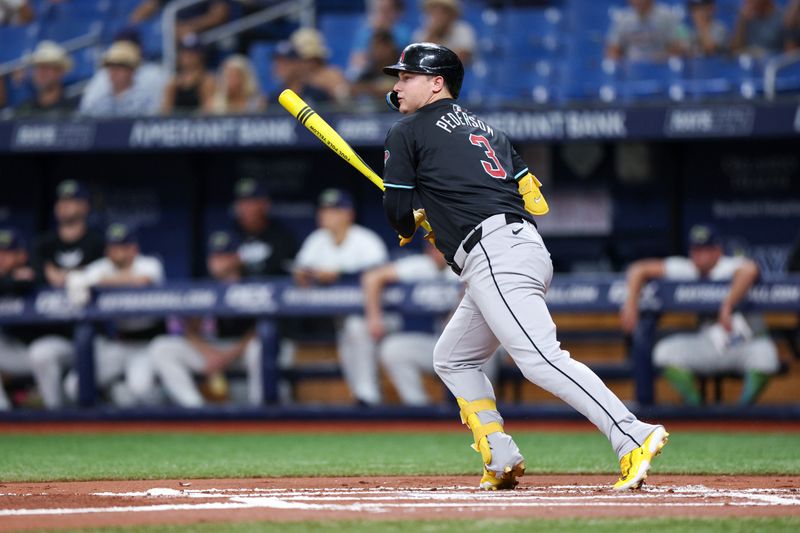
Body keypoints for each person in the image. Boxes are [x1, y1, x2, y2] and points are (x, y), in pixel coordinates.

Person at [380, 42, 667, 491]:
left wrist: (413, 216)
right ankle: (500, 455)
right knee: (453, 358)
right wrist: (438, 216)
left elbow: (397, 213)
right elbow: (529, 197)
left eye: (406, 77)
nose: (397, 86)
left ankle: (633, 433)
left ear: (437, 83)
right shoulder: (488, 130)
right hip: (517, 246)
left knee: (540, 359)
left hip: (494, 254)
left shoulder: (407, 130)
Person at [621, 224, 780, 406]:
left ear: (717, 250)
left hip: (742, 343)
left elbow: (750, 270)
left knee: (767, 355)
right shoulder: (688, 267)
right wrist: (631, 303)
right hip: (710, 343)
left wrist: (727, 305)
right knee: (664, 352)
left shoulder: (727, 265)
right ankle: (697, 409)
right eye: (695, 249)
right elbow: (638, 269)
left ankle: (742, 413)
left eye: (705, 249)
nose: (699, 254)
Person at [362, 242, 499, 405]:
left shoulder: (468, 265)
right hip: (436, 341)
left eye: (439, 246)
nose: (435, 251)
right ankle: (419, 409)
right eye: (432, 246)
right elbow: (372, 277)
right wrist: (374, 317)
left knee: (487, 351)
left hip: (468, 345)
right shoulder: (421, 265)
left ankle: (481, 407)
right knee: (393, 349)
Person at [293, 188, 388, 405]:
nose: (326, 215)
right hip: (341, 317)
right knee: (349, 333)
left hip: (380, 314)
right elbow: (300, 269)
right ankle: (362, 397)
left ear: (348, 214)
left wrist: (340, 275)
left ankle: (368, 395)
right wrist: (305, 275)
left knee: (355, 327)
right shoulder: (316, 240)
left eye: (334, 210)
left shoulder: (366, 240)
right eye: (324, 210)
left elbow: (378, 273)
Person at [55, 223, 165, 406]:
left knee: (141, 392)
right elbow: (75, 278)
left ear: (134, 248)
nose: (118, 251)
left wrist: (98, 281)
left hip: (146, 344)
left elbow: (142, 280)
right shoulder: (100, 267)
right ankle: (112, 391)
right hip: (116, 342)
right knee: (74, 386)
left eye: (123, 246)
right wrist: (81, 278)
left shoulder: (149, 264)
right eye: (114, 246)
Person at [149, 231, 260, 407]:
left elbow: (259, 331)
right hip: (211, 347)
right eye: (215, 255)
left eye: (224, 255)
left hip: (241, 349)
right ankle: (194, 409)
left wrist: (226, 356)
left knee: (259, 349)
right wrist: (208, 352)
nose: (217, 261)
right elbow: (184, 328)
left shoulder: (253, 284)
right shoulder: (204, 285)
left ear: (237, 258)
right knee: (162, 347)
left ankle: (259, 411)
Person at [28, 180, 105, 409]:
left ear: (85, 206)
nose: (66, 206)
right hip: (57, 332)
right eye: (62, 201)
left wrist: (67, 275)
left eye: (73, 201)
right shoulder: (43, 244)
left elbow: (100, 271)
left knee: (77, 388)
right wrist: (50, 272)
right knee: (40, 353)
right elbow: (33, 273)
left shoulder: (97, 242)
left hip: (93, 336)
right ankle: (53, 417)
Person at [231, 178, 297, 278]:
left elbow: (291, 270)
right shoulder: (230, 235)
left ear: (264, 204)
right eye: (242, 202)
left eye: (251, 202)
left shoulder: (282, 237)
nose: (246, 208)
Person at [0, 229, 35, 410]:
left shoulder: (33, 268)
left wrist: (10, 279)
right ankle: (3, 411)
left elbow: (22, 283)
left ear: (22, 255)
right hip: (15, 350)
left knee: (44, 353)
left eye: (7, 253)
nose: (1, 257)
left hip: (41, 348)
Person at [78, 41, 161, 117]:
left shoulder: (145, 100)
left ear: (131, 70)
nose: (113, 72)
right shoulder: (98, 100)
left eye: (119, 67)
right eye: (110, 67)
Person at [605, 0, 688, 62]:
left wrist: (661, 58)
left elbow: (678, 49)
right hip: (632, 72)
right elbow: (612, 51)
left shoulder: (667, 17)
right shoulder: (623, 19)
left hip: (661, 68)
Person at [347, 0, 412, 79]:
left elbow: (403, 59)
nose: (384, 13)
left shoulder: (403, 32)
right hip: (371, 72)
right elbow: (356, 62)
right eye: (380, 9)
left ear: (396, 11)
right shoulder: (366, 32)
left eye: (388, 9)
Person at [287, 27, 350, 105]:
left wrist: (327, 89)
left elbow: (343, 100)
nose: (309, 64)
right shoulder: (294, 77)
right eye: (304, 60)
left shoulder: (332, 75)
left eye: (313, 59)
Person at [16, 41, 79, 117]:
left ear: (60, 72)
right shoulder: (24, 110)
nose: (41, 73)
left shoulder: (73, 109)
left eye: (46, 68)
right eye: (37, 67)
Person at [128, 0, 230, 44]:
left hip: (199, 34)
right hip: (172, 30)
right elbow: (141, 13)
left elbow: (219, 15)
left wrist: (190, 26)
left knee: (186, 37)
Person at [160, 36, 215, 114]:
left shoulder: (206, 81)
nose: (187, 56)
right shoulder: (173, 82)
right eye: (184, 52)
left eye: (191, 53)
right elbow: (165, 111)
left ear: (200, 55)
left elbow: (208, 111)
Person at [412, 0, 476, 64]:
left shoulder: (463, 30)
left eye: (444, 11)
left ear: (452, 15)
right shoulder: (420, 33)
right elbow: (419, 59)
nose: (439, 15)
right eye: (434, 11)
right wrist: (433, 33)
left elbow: (462, 59)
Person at [350, 30, 401, 105]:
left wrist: (372, 89)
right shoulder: (368, 73)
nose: (375, 51)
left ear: (391, 47)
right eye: (373, 47)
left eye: (379, 46)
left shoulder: (402, 69)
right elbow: (353, 89)